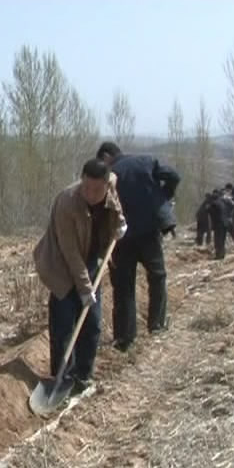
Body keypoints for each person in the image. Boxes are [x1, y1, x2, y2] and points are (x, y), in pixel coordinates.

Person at [33, 158, 126, 396]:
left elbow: (114, 207)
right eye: (86, 187)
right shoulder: (67, 202)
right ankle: (62, 376)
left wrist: (120, 223)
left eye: (97, 189)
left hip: (92, 260)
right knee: (64, 323)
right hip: (60, 265)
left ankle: (83, 375)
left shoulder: (111, 186)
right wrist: (84, 288)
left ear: (106, 186)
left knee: (92, 324)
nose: (90, 194)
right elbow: (70, 253)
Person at [96, 141, 180, 352]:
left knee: (123, 287)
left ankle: (124, 337)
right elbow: (173, 176)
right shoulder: (146, 161)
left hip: (121, 236)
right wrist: (163, 198)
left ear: (106, 156)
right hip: (149, 229)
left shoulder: (109, 174)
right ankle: (157, 324)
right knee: (157, 276)